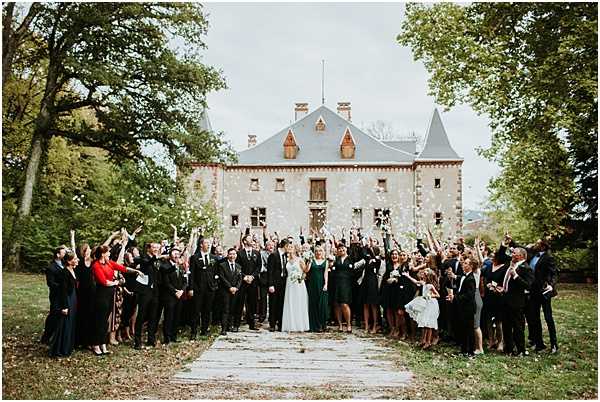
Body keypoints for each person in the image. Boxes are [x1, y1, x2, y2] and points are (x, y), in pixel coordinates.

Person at [91, 232, 139, 355]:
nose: (109, 254)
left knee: (106, 320)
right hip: (101, 294)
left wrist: (136, 271)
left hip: (110, 295)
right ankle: (96, 344)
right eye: (107, 253)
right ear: (102, 254)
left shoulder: (109, 263)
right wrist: (116, 282)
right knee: (99, 320)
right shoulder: (96, 265)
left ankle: (103, 344)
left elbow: (123, 268)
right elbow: (104, 282)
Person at [500, 247, 534, 356]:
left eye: (514, 253)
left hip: (516, 301)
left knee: (517, 326)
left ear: (521, 256)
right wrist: (503, 288)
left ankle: (521, 350)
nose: (512, 255)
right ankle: (508, 348)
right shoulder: (512, 265)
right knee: (506, 325)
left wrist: (515, 276)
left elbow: (528, 285)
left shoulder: (526, 268)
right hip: (506, 299)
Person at [528, 239, 559, 353]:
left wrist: (551, 285)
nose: (534, 244)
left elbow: (554, 273)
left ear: (542, 247)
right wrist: (511, 242)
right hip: (533, 291)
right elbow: (520, 247)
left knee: (548, 318)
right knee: (534, 318)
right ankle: (539, 344)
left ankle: (554, 344)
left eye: (537, 243)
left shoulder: (548, 257)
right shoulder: (532, 255)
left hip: (544, 291)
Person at [48, 251, 78, 357]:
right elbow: (63, 291)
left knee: (71, 323)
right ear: (69, 261)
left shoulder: (73, 270)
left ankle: (68, 346)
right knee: (65, 323)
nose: (77, 260)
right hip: (67, 299)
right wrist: (64, 306)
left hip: (73, 297)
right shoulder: (64, 272)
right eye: (75, 258)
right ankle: (60, 348)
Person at [134, 242, 162, 349]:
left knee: (153, 316)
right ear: (149, 249)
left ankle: (151, 339)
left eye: (157, 248)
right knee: (141, 316)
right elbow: (147, 264)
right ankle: (137, 341)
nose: (156, 249)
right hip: (144, 291)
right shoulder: (143, 258)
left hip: (154, 291)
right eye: (154, 247)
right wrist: (155, 257)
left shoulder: (157, 260)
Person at [404, 269, 440, 349]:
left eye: (425, 274)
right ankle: (424, 340)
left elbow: (438, 295)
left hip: (431, 304)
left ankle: (428, 341)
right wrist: (408, 276)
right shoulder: (423, 283)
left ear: (428, 276)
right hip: (425, 304)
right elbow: (416, 282)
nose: (422, 275)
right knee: (424, 322)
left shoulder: (430, 286)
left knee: (429, 323)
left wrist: (429, 296)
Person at [189, 238, 219, 337]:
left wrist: (214, 284)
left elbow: (216, 272)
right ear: (201, 245)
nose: (208, 245)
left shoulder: (213, 258)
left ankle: (204, 330)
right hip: (198, 288)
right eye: (206, 243)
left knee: (207, 310)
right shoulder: (194, 257)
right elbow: (192, 274)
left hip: (210, 289)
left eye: (209, 243)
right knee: (195, 311)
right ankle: (193, 331)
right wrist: (191, 288)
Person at [447, 257, 476, 357]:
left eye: (466, 263)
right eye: (463, 263)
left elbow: (469, 295)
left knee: (469, 330)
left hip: (468, 308)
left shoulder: (471, 279)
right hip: (462, 307)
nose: (463, 265)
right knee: (463, 329)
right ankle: (463, 350)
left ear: (471, 266)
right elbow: (460, 278)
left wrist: (455, 297)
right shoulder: (464, 276)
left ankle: (470, 351)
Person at [234, 234, 261, 331]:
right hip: (242, 282)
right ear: (245, 241)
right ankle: (236, 324)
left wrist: (253, 276)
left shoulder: (257, 253)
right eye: (249, 239)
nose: (252, 240)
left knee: (252, 302)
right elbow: (237, 267)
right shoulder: (239, 253)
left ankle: (252, 324)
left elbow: (259, 267)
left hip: (253, 282)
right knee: (240, 302)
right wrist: (244, 276)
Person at [41, 245, 68, 345]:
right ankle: (46, 337)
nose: (65, 254)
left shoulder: (65, 264)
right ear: (58, 255)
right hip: (56, 295)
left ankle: (57, 337)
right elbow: (50, 283)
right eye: (63, 253)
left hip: (65, 295)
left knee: (62, 315)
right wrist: (62, 287)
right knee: (54, 315)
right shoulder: (51, 267)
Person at [281, 244, 310, 332]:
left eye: (291, 247)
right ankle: (290, 325)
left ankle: (299, 325)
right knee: (290, 303)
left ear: (294, 249)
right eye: (288, 247)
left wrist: (301, 278)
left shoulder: (299, 259)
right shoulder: (287, 260)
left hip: (298, 284)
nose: (289, 248)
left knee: (298, 303)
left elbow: (305, 271)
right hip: (289, 284)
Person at [160, 248, 185, 344]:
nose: (176, 256)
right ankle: (167, 337)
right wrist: (175, 291)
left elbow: (185, 280)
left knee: (177, 316)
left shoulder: (181, 267)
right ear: (170, 255)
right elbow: (166, 282)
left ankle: (174, 336)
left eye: (178, 254)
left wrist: (182, 290)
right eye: (174, 254)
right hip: (169, 295)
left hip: (180, 294)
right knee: (169, 316)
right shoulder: (165, 266)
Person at [359, 246, 384, 334]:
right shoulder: (366, 260)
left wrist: (372, 253)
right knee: (365, 304)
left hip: (373, 283)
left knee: (373, 305)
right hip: (365, 282)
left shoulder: (377, 261)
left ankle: (374, 325)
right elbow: (362, 251)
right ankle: (366, 325)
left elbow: (376, 263)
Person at [217, 248, 243, 335]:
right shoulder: (222, 265)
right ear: (228, 255)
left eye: (234, 254)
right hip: (226, 290)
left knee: (233, 308)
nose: (232, 256)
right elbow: (222, 277)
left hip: (235, 291)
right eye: (230, 254)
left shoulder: (239, 266)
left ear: (236, 255)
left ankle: (230, 325)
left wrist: (236, 288)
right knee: (225, 309)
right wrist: (230, 287)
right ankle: (224, 328)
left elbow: (240, 279)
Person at [305, 245, 329, 332]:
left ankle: (322, 324)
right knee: (313, 304)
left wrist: (326, 284)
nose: (318, 253)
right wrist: (309, 262)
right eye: (316, 251)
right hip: (312, 285)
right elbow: (306, 271)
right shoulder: (312, 260)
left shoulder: (325, 262)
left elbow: (326, 274)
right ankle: (314, 325)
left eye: (320, 251)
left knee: (322, 305)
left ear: (322, 252)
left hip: (321, 284)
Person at [267, 239, 289, 332]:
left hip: (283, 283)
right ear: (285, 246)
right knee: (273, 304)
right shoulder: (273, 255)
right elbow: (270, 271)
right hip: (275, 283)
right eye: (289, 246)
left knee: (281, 303)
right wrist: (271, 284)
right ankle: (272, 324)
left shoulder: (286, 256)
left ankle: (280, 324)